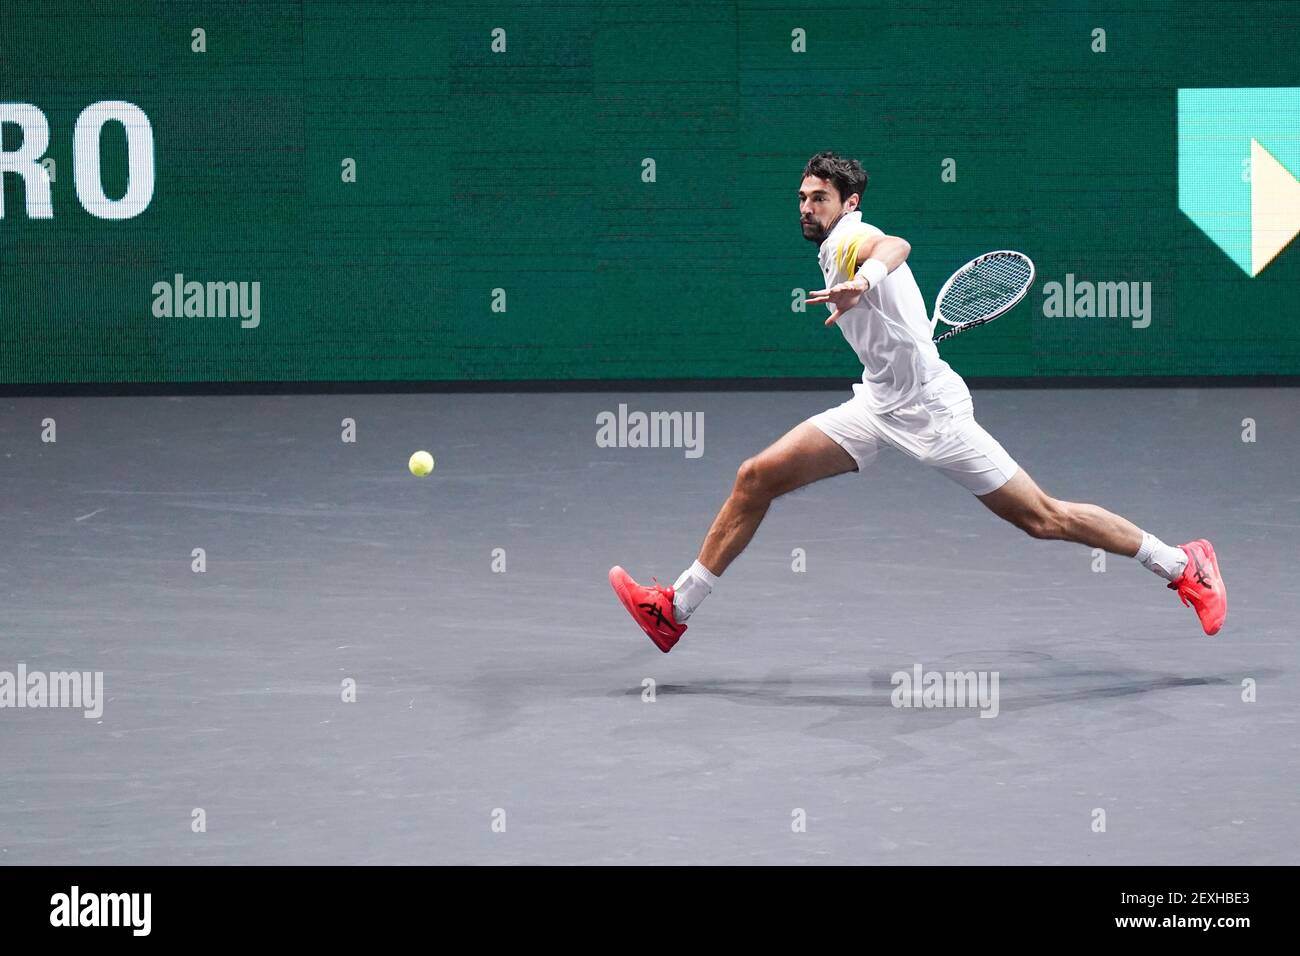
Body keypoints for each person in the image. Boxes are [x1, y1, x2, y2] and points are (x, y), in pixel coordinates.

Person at [609, 150, 1226, 652]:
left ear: (848, 203)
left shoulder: (853, 238)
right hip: (878, 404)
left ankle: (1181, 564)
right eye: (802, 197)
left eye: (819, 197)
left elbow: (894, 245)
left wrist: (865, 279)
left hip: (932, 412)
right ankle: (675, 609)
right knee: (756, 477)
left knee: (1044, 518)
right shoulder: (830, 248)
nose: (807, 206)